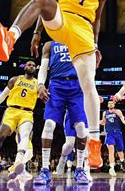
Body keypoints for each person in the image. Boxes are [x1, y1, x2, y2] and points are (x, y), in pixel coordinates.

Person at [0, 0, 111, 169]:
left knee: (88, 84)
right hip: (61, 20)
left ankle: (94, 142)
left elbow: (98, 17)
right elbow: (48, 0)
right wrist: (36, 32)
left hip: (83, 30)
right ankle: (10, 38)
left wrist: (96, 44)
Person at [33, 41, 90, 185]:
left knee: (81, 128)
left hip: (77, 85)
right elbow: (44, 68)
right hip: (56, 85)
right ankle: (45, 169)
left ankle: (80, 169)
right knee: (49, 125)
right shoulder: (49, 45)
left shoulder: (79, 39)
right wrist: (40, 84)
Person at [0, 61, 38, 179]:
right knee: (0, 136)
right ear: (24, 67)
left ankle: (17, 163)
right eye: (29, 64)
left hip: (27, 113)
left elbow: (44, 95)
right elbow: (4, 94)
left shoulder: (37, 84)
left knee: (25, 136)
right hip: (12, 111)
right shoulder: (15, 79)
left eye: (34, 65)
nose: (32, 66)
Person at [100, 101, 125, 176]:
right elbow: (103, 122)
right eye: (109, 103)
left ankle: (122, 161)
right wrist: (94, 121)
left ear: (114, 105)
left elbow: (122, 118)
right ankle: (112, 168)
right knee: (111, 150)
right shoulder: (105, 113)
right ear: (108, 105)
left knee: (120, 152)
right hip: (109, 134)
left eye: (112, 103)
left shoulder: (117, 111)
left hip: (118, 133)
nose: (110, 104)